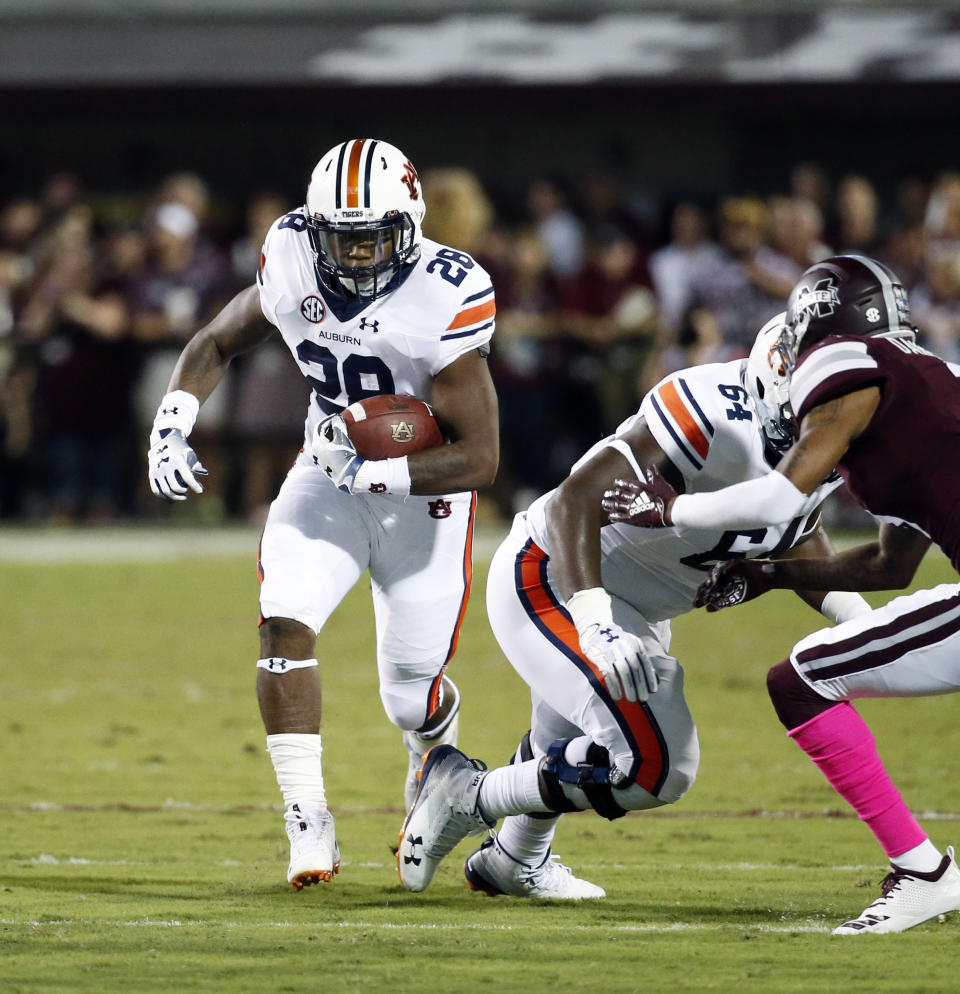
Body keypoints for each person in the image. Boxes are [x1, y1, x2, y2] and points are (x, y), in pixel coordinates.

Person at [396, 312, 866, 898]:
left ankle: (513, 860)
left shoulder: (820, 437)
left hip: (637, 609)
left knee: (559, 749)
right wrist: (594, 623)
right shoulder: (711, 409)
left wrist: (861, 625)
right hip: (556, 579)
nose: (838, 415)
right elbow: (576, 501)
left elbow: (797, 533)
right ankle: (466, 792)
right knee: (657, 762)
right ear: (781, 384)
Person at [145, 138, 499, 890]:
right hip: (326, 474)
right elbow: (218, 338)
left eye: (374, 235)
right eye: (343, 236)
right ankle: (307, 817)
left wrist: (378, 466)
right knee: (283, 617)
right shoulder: (292, 253)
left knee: (409, 692)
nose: (360, 253)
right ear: (315, 228)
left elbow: (481, 457)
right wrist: (173, 416)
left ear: (408, 227)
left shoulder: (447, 289)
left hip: (424, 498)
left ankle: (432, 771)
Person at [604, 254, 960, 934]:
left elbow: (778, 495)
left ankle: (923, 874)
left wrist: (669, 510)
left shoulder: (844, 359)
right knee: (810, 675)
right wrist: (771, 575)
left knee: (801, 683)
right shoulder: (924, 390)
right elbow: (889, 566)